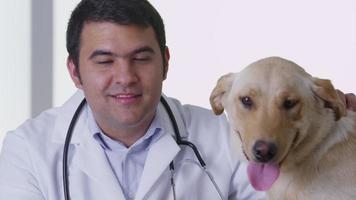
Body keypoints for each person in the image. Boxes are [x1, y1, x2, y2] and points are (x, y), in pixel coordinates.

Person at [0, 0, 355, 199]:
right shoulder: (27, 152)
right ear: (75, 72)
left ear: (166, 62)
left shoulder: (227, 139)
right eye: (105, 61)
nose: (125, 76)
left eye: (141, 57)